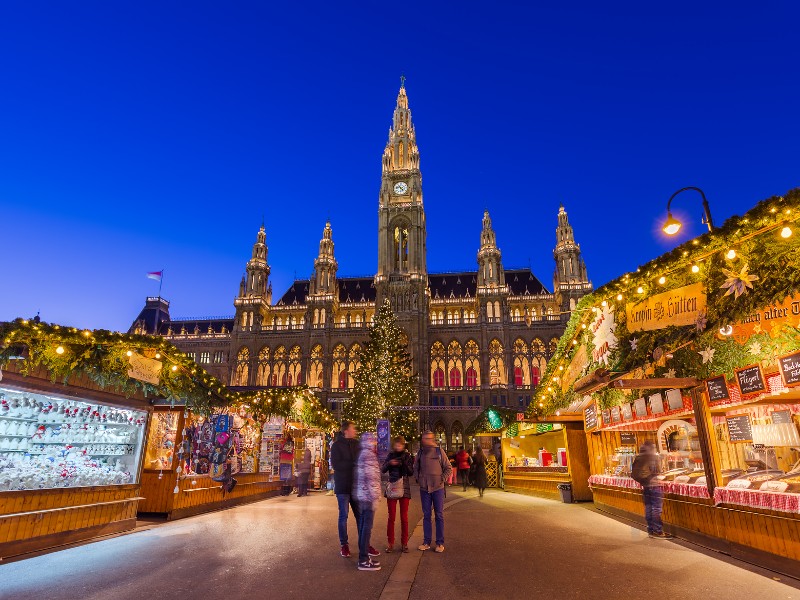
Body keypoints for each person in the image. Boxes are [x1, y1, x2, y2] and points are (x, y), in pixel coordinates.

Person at [331, 421, 380, 559]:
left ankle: (364, 545)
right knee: (343, 516)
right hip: (342, 487)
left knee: (361, 517)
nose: (355, 431)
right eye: (353, 428)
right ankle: (344, 545)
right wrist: (354, 463)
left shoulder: (357, 444)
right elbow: (336, 465)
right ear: (346, 431)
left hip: (355, 486)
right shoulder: (336, 445)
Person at [414, 430, 453, 553]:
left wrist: (442, 479)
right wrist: (418, 479)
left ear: (432, 439)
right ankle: (426, 542)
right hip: (424, 489)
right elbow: (416, 468)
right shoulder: (420, 453)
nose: (426, 440)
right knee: (426, 515)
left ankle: (440, 543)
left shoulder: (439, 451)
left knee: (439, 515)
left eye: (429, 438)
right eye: (424, 438)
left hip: (438, 488)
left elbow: (448, 468)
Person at [631, 440, 673, 539]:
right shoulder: (652, 457)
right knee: (656, 509)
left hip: (645, 486)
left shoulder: (639, 457)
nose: (655, 449)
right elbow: (657, 471)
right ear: (651, 447)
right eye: (654, 447)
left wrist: (644, 481)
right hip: (654, 485)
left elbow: (634, 473)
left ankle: (651, 530)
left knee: (648, 508)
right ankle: (658, 531)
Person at [353, 432, 383, 571]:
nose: (376, 442)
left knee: (364, 527)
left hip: (363, 495)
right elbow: (372, 479)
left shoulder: (363, 453)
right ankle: (363, 560)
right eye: (374, 440)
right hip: (368, 496)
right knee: (366, 528)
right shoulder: (369, 455)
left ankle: (364, 557)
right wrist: (375, 497)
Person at [381, 435, 414, 553]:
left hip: (404, 489)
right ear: (394, 445)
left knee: (404, 517)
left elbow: (411, 472)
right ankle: (390, 543)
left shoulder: (407, 456)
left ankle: (404, 543)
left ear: (403, 445)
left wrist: (403, 462)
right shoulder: (390, 456)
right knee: (391, 517)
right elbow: (383, 469)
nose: (398, 446)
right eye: (396, 444)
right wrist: (390, 463)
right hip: (393, 488)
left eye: (400, 444)